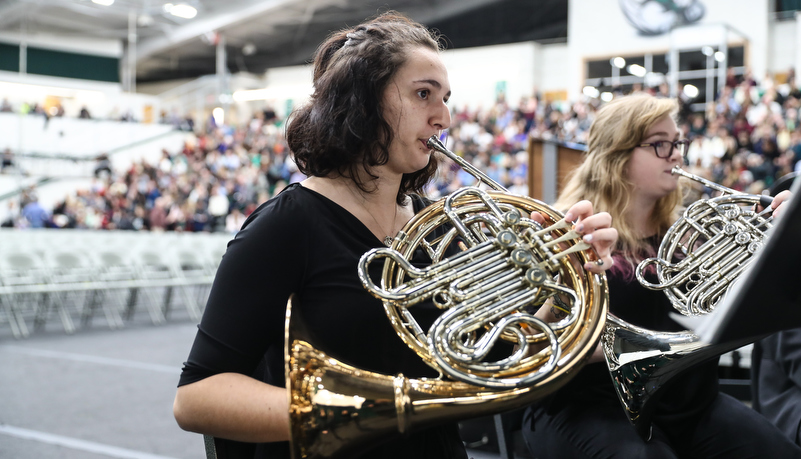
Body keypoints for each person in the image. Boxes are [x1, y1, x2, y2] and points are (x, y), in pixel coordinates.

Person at [172, 11, 616, 459]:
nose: (443, 117)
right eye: (423, 94)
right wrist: (347, 412)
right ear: (360, 101)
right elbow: (196, 397)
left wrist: (564, 280)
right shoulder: (286, 225)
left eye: (445, 99)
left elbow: (488, 353)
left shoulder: (439, 225)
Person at [521, 92, 799, 459]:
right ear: (615, 156)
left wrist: (778, 242)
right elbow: (533, 348)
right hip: (584, 405)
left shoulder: (692, 234)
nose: (676, 154)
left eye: (678, 142)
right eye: (659, 144)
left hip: (689, 402)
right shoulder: (570, 232)